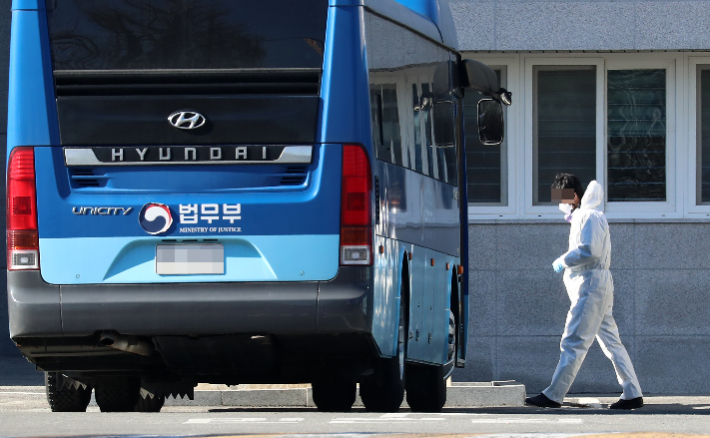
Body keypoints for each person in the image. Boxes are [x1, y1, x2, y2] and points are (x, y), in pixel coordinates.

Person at [525, 173, 644, 410]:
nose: (559, 205)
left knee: (573, 341)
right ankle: (633, 393)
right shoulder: (588, 215)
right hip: (596, 286)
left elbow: (590, 251)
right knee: (612, 342)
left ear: (574, 196)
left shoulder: (588, 216)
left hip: (590, 288)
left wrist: (563, 260)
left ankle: (553, 395)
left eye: (561, 199)